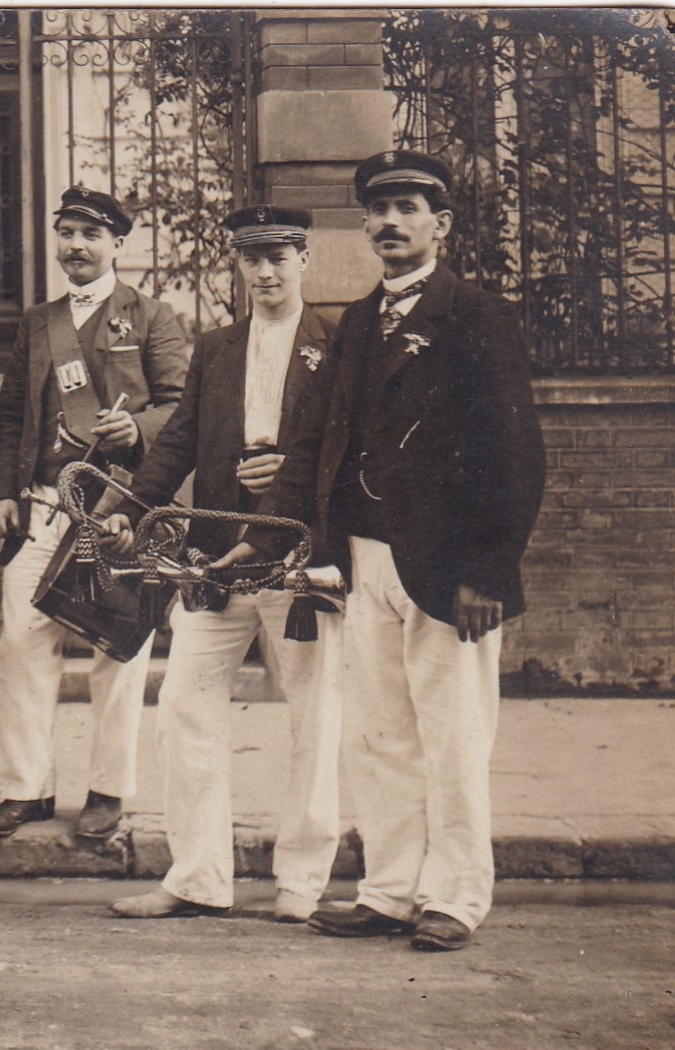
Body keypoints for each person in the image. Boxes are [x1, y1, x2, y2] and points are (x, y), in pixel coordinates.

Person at [214, 150, 545, 951]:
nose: (389, 223)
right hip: (364, 563)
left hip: (447, 571)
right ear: (362, 224)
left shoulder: (476, 314)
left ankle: (456, 896)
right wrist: (261, 541)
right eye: (378, 209)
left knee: (454, 736)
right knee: (379, 734)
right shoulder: (357, 321)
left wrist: (487, 570)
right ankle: (390, 890)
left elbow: (513, 453)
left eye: (407, 208)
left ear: (441, 225)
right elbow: (313, 447)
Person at [107, 206, 343, 924]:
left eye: (278, 257)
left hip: (298, 558)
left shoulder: (335, 345)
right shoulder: (214, 348)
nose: (265, 273)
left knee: (313, 718)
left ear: (304, 259)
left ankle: (301, 881)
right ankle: (197, 876)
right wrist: (131, 507)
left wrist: (292, 475)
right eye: (251, 260)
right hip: (215, 558)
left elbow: (348, 447)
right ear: (237, 268)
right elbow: (175, 441)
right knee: (182, 707)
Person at [0, 186, 189, 839]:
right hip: (43, 505)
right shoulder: (39, 323)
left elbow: (181, 408)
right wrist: (2, 495)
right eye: (66, 232)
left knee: (117, 653)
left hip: (120, 508)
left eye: (90, 234)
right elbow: (10, 416)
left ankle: (107, 790)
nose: (76, 245)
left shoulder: (152, 317)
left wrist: (136, 430)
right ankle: (26, 788)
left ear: (115, 244)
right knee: (20, 645)